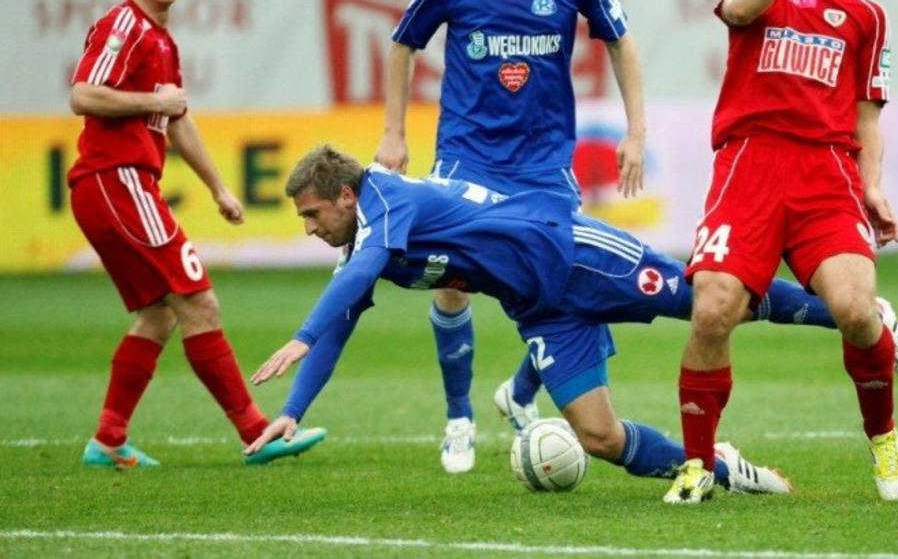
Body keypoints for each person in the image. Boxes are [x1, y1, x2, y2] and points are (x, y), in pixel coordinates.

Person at [243, 144, 793, 494]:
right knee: (599, 437)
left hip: (570, 255)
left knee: (713, 301)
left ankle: (841, 310)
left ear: (345, 195)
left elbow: (359, 274)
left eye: (312, 213)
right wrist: (293, 410)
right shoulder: (367, 240)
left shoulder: (385, 195)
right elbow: (343, 316)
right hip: (541, 310)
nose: (309, 227)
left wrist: (301, 336)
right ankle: (725, 469)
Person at [374, 0, 647, 474]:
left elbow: (620, 41)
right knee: (452, 279)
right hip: (467, 155)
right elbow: (403, 42)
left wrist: (636, 131)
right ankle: (458, 419)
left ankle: (520, 392)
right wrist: (393, 133)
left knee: (569, 281)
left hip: (544, 164)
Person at [665, 0, 898, 505]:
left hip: (825, 173)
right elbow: (740, 12)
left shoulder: (864, 14)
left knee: (854, 309)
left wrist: (873, 186)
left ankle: (883, 434)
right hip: (749, 166)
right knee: (712, 309)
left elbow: (867, 118)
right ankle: (698, 465)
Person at [67, 0, 326, 468]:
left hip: (119, 185)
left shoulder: (162, 40)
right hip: (116, 180)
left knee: (160, 314)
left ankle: (107, 439)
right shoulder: (125, 25)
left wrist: (217, 187)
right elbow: (83, 94)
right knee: (199, 301)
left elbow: (177, 118)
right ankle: (257, 432)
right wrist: (151, 101)